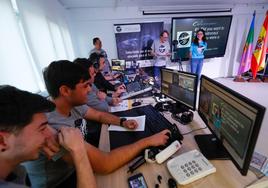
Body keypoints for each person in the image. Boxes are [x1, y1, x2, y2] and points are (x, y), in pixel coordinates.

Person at [23, 60, 170, 188]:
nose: (90, 89)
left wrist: (122, 121)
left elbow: (98, 115)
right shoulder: (51, 128)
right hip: (62, 182)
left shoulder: (72, 103)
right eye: (85, 86)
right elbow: (106, 164)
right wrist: (149, 141)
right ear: (65, 90)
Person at [0, 86, 96, 188]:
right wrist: (79, 150)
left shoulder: (15, 171)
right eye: (42, 129)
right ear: (2, 141)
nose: (51, 135)